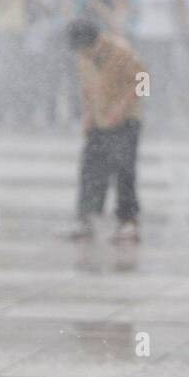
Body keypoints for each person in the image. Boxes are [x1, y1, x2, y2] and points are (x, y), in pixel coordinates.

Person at [63, 20, 145, 243]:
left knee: (124, 170)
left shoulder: (123, 52)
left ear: (96, 41)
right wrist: (88, 113)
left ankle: (128, 222)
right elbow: (86, 86)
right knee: (90, 169)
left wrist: (123, 108)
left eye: (85, 50)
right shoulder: (84, 55)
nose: (83, 55)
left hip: (126, 121)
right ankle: (86, 219)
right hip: (99, 120)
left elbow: (143, 81)